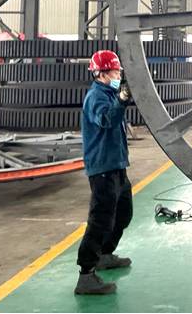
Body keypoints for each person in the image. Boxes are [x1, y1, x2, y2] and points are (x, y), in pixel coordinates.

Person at [75, 50, 133, 295]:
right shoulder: (96, 97)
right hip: (102, 169)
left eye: (119, 72)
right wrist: (122, 99)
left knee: (123, 214)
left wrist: (121, 98)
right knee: (100, 220)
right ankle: (86, 275)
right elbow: (106, 120)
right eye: (115, 72)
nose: (118, 75)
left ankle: (105, 255)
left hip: (117, 166)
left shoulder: (110, 93)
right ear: (101, 74)